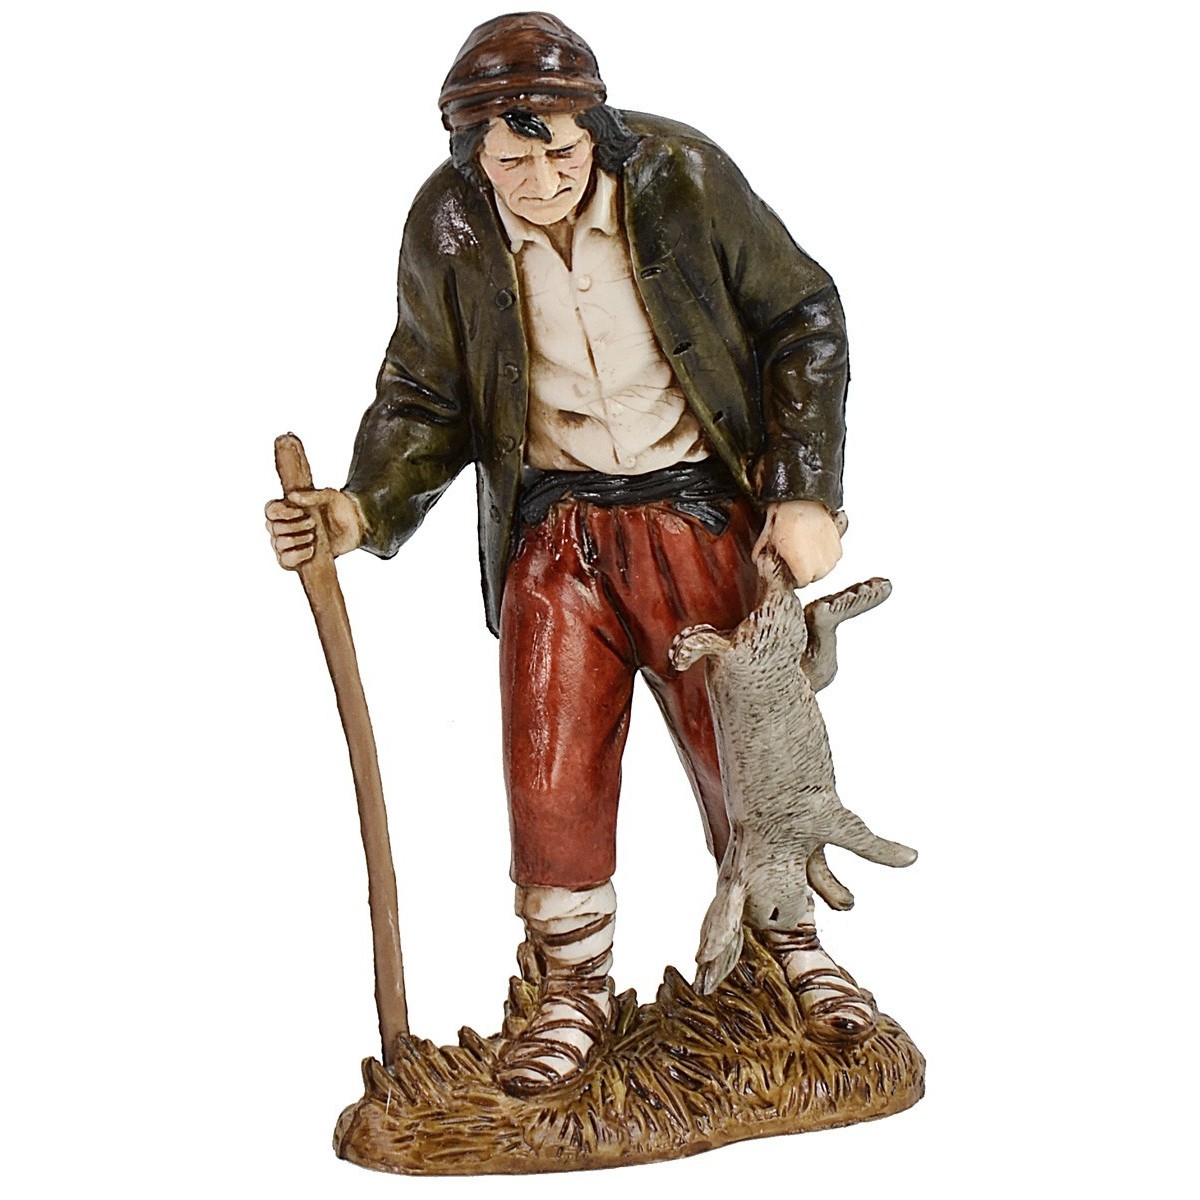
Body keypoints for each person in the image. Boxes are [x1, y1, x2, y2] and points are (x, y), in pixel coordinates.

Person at [267, 12, 870, 1096]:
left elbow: (800, 316)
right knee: (552, 757)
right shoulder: (449, 227)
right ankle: (570, 988)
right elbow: (426, 391)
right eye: (512, 161)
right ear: (473, 155)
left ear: (597, 128)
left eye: (562, 153)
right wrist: (359, 509)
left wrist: (804, 491)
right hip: (557, 531)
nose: (541, 180)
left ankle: (790, 946)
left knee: (745, 748)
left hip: (698, 512)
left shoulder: (682, 178)